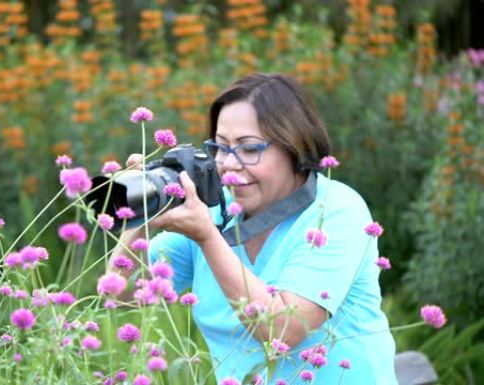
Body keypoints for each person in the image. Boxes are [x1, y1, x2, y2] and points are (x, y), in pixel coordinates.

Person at [117, 73, 398, 384]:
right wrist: (143, 206)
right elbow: (124, 292)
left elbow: (281, 331)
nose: (228, 164)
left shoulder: (337, 211)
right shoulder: (212, 207)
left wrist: (208, 238)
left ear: (294, 148)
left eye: (249, 149)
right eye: (220, 147)